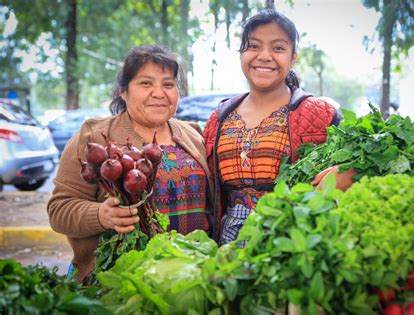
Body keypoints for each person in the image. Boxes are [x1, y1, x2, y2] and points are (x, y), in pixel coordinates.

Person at [47, 44, 213, 283]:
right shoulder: (92, 137)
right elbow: (59, 210)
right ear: (124, 92)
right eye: (146, 83)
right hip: (118, 284)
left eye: (168, 84)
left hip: (190, 278)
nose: (159, 93)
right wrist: (101, 216)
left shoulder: (194, 135)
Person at [203, 9, 356, 245]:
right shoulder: (219, 119)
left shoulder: (320, 114)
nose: (264, 56)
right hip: (228, 247)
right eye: (254, 46)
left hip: (296, 241)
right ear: (241, 53)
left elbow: (361, 163)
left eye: (278, 48)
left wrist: (349, 171)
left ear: (293, 57)